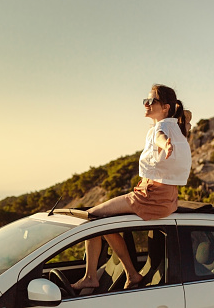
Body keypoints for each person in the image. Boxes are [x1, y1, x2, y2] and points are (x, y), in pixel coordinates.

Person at [72, 84, 192, 290]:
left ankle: (97, 276)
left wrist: (167, 145)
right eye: (145, 100)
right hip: (167, 199)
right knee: (104, 218)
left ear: (164, 107)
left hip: (149, 197)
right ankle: (129, 274)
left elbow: (161, 138)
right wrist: (179, 113)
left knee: (92, 216)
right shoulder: (179, 126)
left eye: (151, 101)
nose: (146, 104)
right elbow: (186, 115)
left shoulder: (162, 129)